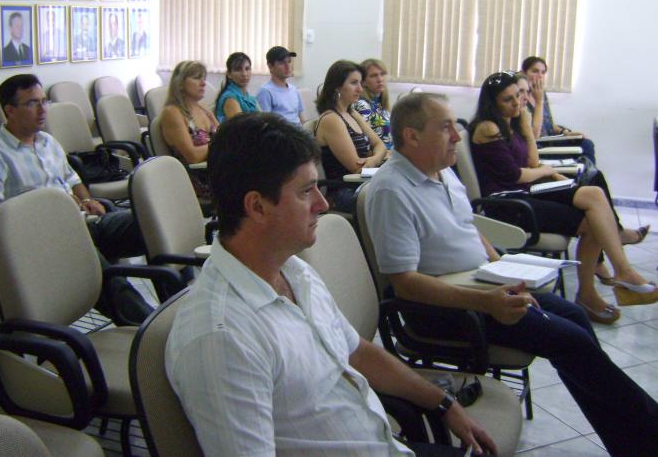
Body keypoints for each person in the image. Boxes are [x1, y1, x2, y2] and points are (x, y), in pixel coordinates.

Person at [165, 112, 497, 457]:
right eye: (307, 191)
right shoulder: (222, 338)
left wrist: (443, 403)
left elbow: (354, 349)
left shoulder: (294, 270)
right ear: (257, 206)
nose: (322, 205)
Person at [365, 91, 658, 457]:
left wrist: (502, 265)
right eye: (446, 128)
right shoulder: (392, 191)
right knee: (572, 343)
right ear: (412, 136)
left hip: (480, 287)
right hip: (447, 312)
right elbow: (405, 285)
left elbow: (467, 227)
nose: (458, 136)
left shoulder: (440, 172)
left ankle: (632, 440)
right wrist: (487, 300)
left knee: (575, 318)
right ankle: (647, 437)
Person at [469, 71, 657, 315]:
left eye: (518, 96)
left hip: (525, 193)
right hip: (507, 204)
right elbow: (517, 175)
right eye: (508, 99)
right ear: (492, 102)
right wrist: (545, 170)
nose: (517, 103)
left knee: (594, 195)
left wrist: (526, 130)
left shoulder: (510, 122)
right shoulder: (488, 127)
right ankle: (591, 293)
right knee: (592, 222)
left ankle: (620, 271)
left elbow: (532, 162)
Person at [0, 74, 153, 324]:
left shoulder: (48, 142)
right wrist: (40, 212)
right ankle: (146, 327)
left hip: (82, 222)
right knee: (103, 275)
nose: (43, 109)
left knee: (149, 225)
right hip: (45, 240)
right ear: (10, 110)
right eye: (33, 103)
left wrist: (86, 200)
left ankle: (178, 297)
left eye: (44, 101)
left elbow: (73, 180)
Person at [314, 60, 387, 212]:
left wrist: (373, 159)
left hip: (363, 185)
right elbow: (356, 167)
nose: (360, 89)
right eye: (354, 83)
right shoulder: (331, 119)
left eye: (360, 83)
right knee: (395, 202)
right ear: (337, 87)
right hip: (343, 192)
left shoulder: (352, 113)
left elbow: (380, 145)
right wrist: (377, 157)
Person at [521, 55, 596, 164]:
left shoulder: (541, 94)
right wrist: (539, 102)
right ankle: (586, 174)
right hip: (539, 146)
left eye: (543, 72)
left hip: (552, 140)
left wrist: (565, 132)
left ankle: (588, 173)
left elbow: (549, 124)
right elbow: (534, 133)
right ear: (524, 73)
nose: (540, 76)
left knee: (586, 143)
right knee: (579, 157)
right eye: (535, 71)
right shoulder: (522, 98)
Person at [160, 61, 219, 199]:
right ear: (180, 83)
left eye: (203, 78)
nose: (203, 83)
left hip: (216, 168)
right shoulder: (172, 112)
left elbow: (225, 135)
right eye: (197, 78)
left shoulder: (203, 108)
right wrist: (219, 144)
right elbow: (193, 156)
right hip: (198, 179)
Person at [256, 46, 304, 125]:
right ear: (270, 66)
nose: (288, 66)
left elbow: (301, 118)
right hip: (281, 134)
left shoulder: (294, 89)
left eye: (289, 61)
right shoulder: (265, 91)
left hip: (298, 133)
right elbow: (265, 124)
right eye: (282, 63)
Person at [355, 58, 393, 149]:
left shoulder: (380, 102)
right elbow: (365, 143)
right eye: (373, 76)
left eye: (382, 74)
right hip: (379, 157)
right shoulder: (362, 105)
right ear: (363, 82)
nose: (380, 79)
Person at [214, 52, 260, 121]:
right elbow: (240, 128)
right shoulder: (230, 98)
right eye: (238, 70)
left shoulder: (251, 98)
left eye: (247, 69)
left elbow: (265, 120)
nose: (244, 74)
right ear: (229, 74)